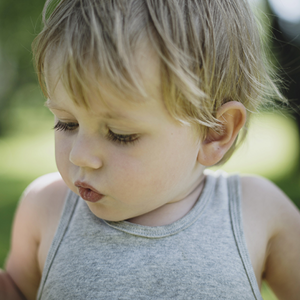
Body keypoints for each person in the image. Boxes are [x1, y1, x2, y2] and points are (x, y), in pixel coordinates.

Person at [1, 0, 300, 299]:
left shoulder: (257, 211)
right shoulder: (46, 207)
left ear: (214, 132)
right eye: (67, 123)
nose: (78, 156)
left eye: (120, 135)